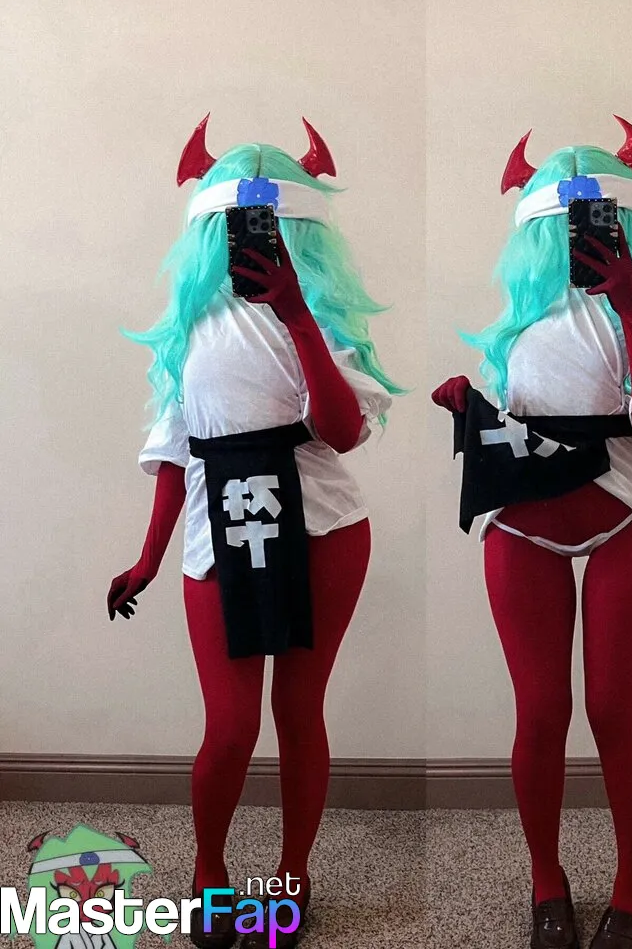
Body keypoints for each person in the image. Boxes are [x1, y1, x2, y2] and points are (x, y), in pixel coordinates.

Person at [107, 116, 400, 949]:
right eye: (238, 225)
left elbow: (342, 431)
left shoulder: (326, 324)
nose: (252, 240)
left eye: (269, 226)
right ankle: (209, 869)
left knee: (299, 712)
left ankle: (291, 874)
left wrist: (299, 316)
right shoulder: (189, 330)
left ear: (299, 232)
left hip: (324, 528)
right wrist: (148, 557)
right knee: (231, 727)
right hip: (218, 531)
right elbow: (178, 451)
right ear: (213, 231)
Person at [432, 118, 632, 949]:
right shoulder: (517, 322)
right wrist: (469, 404)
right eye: (559, 224)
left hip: (631, 518)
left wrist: (630, 305)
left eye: (596, 220)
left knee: (611, 709)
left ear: (627, 225)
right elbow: (515, 418)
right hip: (523, 528)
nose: (577, 236)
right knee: (539, 712)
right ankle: (546, 879)